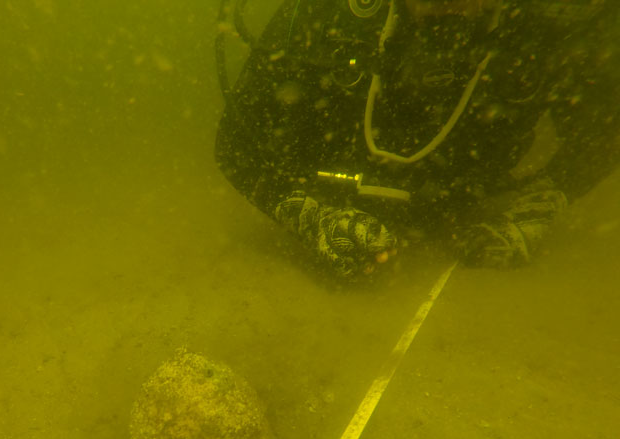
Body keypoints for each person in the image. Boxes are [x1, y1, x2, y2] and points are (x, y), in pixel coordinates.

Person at [215, 0, 620, 280]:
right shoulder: (331, 15)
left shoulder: (542, 29)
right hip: (336, 189)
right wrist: (310, 216)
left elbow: (604, 132)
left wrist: (536, 209)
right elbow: (237, 141)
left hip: (464, 199)